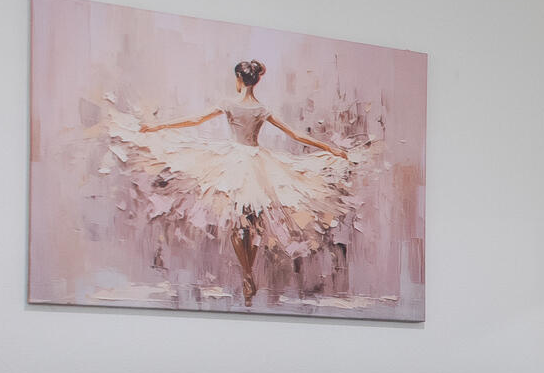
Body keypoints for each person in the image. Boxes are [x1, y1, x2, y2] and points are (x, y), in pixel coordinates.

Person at [105, 60, 358, 306]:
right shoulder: (261, 109)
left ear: (239, 79)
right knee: (254, 224)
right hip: (256, 163)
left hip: (236, 164)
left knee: (241, 224)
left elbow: (194, 120)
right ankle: (248, 274)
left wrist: (156, 127)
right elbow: (294, 134)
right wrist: (328, 148)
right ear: (255, 80)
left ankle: (247, 274)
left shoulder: (230, 104)